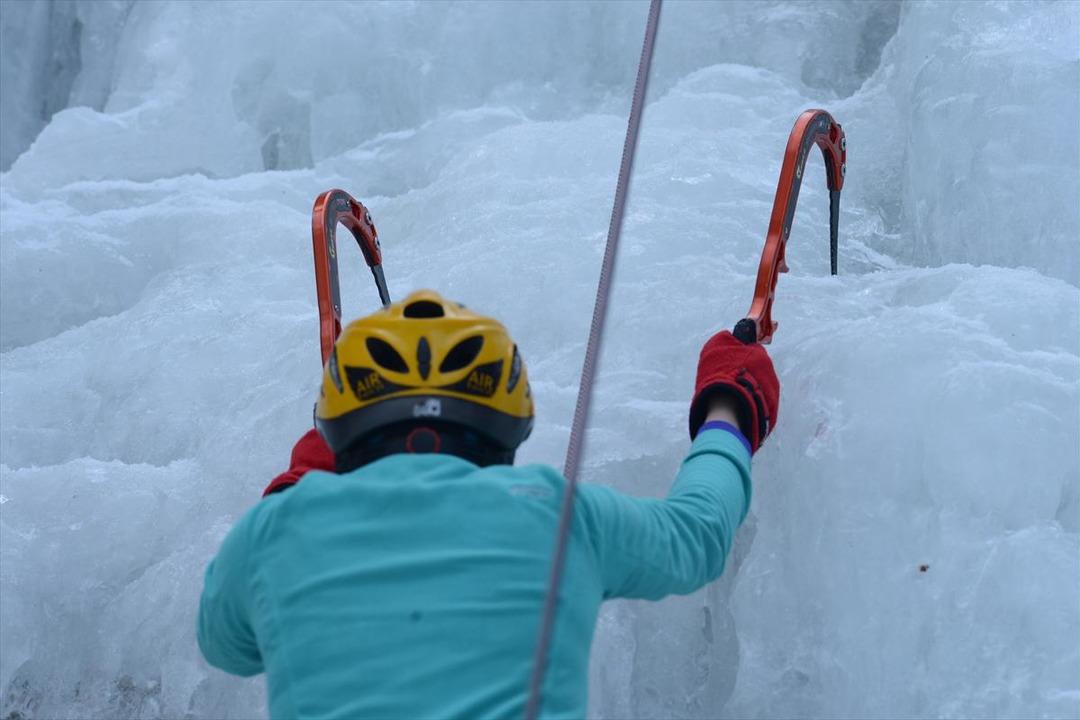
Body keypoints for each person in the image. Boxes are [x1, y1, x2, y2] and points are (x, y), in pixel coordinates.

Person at [197, 289, 779, 719]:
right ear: (505, 424)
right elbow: (698, 533)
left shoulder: (277, 533)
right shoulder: (556, 519)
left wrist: (298, 492)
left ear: (341, 434)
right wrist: (730, 405)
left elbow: (227, 645)